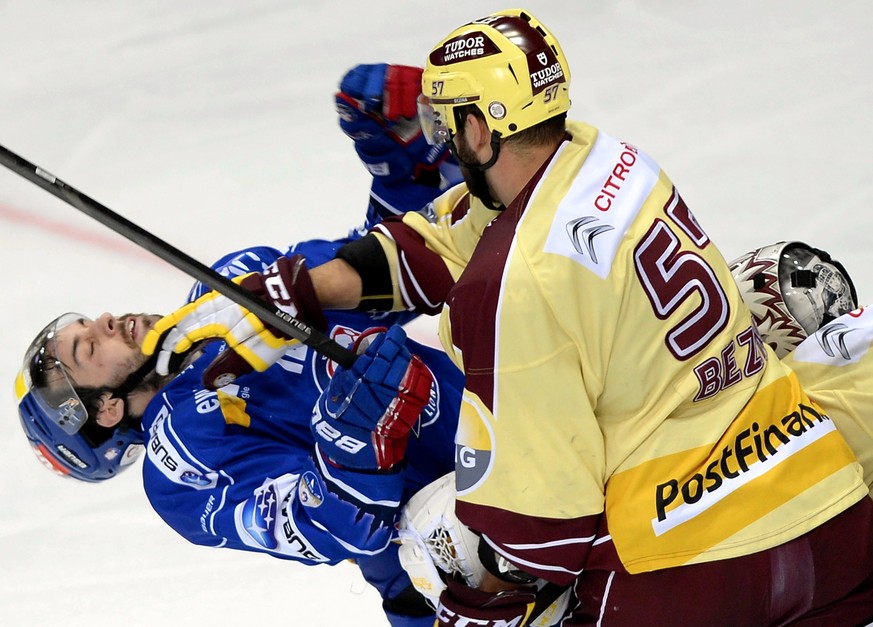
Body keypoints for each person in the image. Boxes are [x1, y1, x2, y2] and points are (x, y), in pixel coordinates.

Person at [146, 9, 873, 625]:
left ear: (484, 129)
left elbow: (541, 538)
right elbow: (442, 238)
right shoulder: (603, 158)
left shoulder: (510, 289)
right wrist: (301, 289)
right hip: (830, 504)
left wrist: (481, 603)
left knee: (443, 540)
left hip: (697, 571)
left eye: (446, 121)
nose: (440, 139)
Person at [14, 64, 465, 627]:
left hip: (543, 431)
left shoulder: (231, 283)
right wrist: (356, 437)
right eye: (86, 349)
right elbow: (325, 525)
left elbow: (392, 273)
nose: (105, 319)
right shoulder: (179, 462)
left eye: (88, 321)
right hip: (469, 579)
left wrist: (404, 165)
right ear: (105, 408)